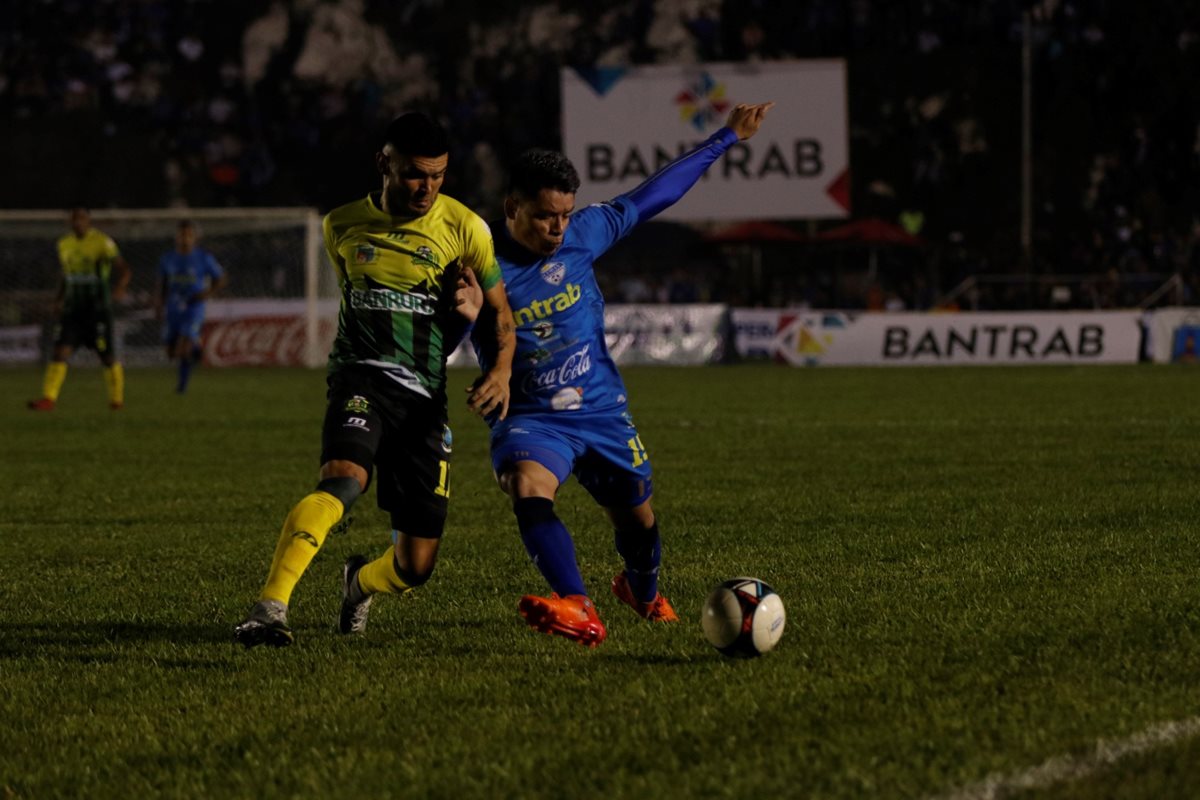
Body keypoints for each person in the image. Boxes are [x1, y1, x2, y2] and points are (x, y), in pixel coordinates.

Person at [470, 102, 774, 647]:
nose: (558, 228)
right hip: (532, 418)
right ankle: (578, 603)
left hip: (603, 410)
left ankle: (641, 589)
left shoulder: (585, 233)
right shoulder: (477, 260)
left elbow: (652, 195)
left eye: (565, 214)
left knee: (638, 520)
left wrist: (726, 138)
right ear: (512, 206)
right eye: (545, 216)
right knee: (526, 485)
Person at [233, 112, 516, 648]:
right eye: (414, 174)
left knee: (415, 567)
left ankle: (358, 583)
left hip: (424, 402)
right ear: (384, 163)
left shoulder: (466, 228)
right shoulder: (340, 225)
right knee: (342, 480)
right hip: (359, 379)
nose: (427, 188)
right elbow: (359, 307)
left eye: (437, 176)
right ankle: (270, 608)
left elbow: (501, 316)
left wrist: (498, 369)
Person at [28, 206, 133, 411]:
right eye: (75, 219)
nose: (78, 223)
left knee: (107, 357)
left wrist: (120, 288)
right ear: (70, 222)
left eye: (82, 219)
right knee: (59, 352)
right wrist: (58, 300)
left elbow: (124, 269)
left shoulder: (102, 242)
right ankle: (48, 399)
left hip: (98, 309)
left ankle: (116, 400)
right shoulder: (64, 244)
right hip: (73, 310)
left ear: (88, 221)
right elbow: (66, 276)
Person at [156, 220, 227, 394]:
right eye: (182, 235)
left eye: (189, 235)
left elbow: (221, 278)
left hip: (193, 307)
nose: (185, 238)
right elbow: (162, 283)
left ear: (195, 238)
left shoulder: (203, 258)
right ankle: (197, 350)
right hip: (173, 308)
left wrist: (207, 294)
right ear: (176, 237)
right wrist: (159, 303)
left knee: (183, 348)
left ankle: (182, 387)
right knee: (171, 353)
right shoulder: (167, 259)